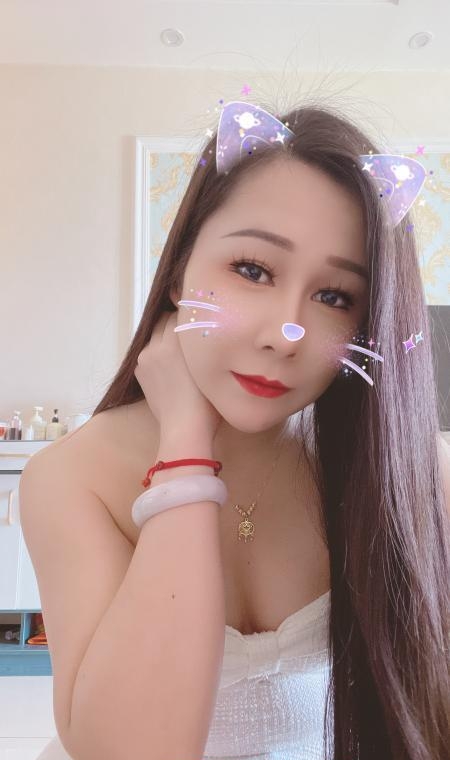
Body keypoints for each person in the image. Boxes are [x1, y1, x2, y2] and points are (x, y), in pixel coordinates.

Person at [20, 100, 450, 760]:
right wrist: (184, 449)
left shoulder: (408, 475)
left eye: (335, 296)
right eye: (253, 270)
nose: (286, 334)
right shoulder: (72, 477)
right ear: (179, 271)